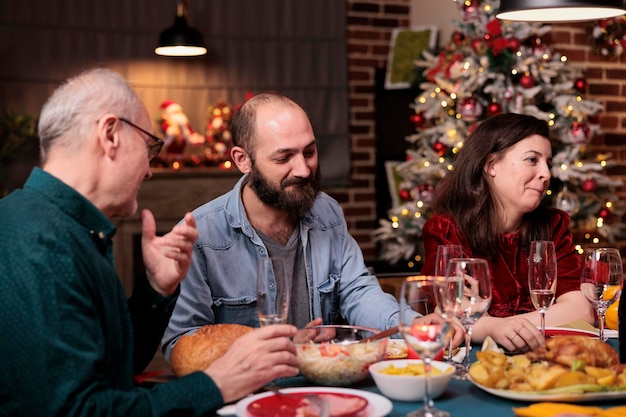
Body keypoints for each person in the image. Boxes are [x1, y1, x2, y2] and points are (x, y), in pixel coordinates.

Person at [0, 68, 299, 417]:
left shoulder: (65, 227)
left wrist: (155, 289)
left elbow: (114, 369)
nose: (149, 170)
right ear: (110, 134)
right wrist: (217, 383)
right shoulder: (41, 244)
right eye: (149, 146)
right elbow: (80, 411)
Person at [161, 92, 461, 360]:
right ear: (243, 160)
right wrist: (277, 347)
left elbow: (357, 291)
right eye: (284, 157)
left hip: (325, 382)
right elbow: (182, 344)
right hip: (245, 396)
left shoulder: (326, 211)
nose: (303, 170)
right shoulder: (202, 235)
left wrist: (410, 324)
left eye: (309, 152)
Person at [421, 113, 594, 353]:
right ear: (491, 165)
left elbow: (581, 310)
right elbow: (450, 319)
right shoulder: (448, 231)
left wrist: (496, 325)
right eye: (532, 160)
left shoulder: (552, 226)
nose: (546, 174)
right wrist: (494, 326)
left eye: (548, 162)